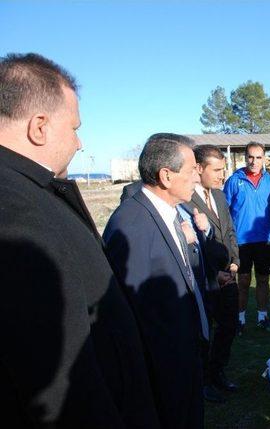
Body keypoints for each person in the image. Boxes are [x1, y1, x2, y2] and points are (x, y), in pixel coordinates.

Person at [0, 53, 159, 428]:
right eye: (73, 128)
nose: (79, 142)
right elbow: (52, 376)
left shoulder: (27, 192)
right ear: (39, 127)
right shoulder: (14, 211)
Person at [104, 133, 210, 429]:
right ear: (166, 175)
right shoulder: (132, 225)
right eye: (191, 170)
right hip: (163, 367)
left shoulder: (171, 212)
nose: (197, 177)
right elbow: (132, 313)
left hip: (184, 354)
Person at [187, 144, 241, 402]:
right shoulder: (186, 199)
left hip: (228, 276)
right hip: (206, 280)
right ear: (199, 169)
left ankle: (218, 371)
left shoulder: (219, 195)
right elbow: (193, 246)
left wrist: (234, 263)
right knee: (205, 331)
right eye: (217, 170)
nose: (223, 175)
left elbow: (229, 231)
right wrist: (213, 274)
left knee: (229, 326)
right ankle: (204, 379)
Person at [224, 142, 270, 334]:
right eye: (250, 157)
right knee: (243, 281)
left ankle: (263, 317)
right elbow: (225, 211)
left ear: (264, 159)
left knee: (263, 280)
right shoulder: (233, 181)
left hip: (264, 239)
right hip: (241, 242)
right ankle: (240, 319)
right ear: (245, 158)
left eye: (258, 157)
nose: (254, 161)